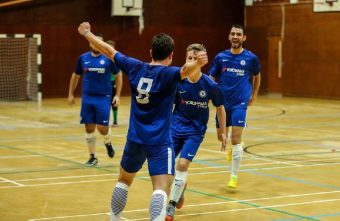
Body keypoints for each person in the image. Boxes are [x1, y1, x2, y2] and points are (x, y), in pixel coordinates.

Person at [77, 22, 208, 221]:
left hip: (135, 139)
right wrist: (198, 63)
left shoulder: (135, 67)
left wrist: (87, 33)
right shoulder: (169, 73)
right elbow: (185, 70)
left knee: (123, 182)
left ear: (150, 52)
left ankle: (114, 218)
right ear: (171, 55)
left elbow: (109, 51)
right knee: (161, 189)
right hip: (160, 142)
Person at [165, 44, 227, 221]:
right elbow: (169, 105)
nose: (192, 62)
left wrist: (222, 132)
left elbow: (220, 108)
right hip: (175, 128)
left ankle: (171, 205)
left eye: (195, 59)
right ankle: (180, 188)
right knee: (166, 168)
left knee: (182, 164)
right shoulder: (178, 81)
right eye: (189, 58)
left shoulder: (210, 85)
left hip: (195, 132)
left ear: (202, 62)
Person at [209, 24, 261, 189]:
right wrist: (211, 92)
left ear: (244, 38)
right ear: (229, 36)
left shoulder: (251, 58)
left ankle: (233, 176)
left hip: (240, 102)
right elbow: (211, 76)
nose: (235, 37)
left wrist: (254, 95)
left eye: (239, 34)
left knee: (235, 139)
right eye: (233, 34)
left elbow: (257, 75)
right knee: (221, 137)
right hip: (223, 104)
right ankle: (234, 149)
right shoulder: (220, 57)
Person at [68, 33, 123, 167]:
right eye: (95, 42)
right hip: (87, 97)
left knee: (102, 127)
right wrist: (70, 94)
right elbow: (75, 76)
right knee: (89, 127)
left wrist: (118, 95)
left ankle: (108, 143)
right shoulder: (83, 58)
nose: (96, 44)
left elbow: (119, 75)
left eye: (100, 42)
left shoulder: (109, 58)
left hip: (103, 97)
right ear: (90, 43)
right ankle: (92, 157)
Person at [106, 40, 122, 127]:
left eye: (113, 48)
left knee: (114, 102)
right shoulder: (101, 58)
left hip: (112, 83)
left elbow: (119, 74)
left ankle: (115, 121)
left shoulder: (115, 59)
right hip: (102, 84)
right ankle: (104, 120)